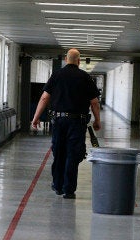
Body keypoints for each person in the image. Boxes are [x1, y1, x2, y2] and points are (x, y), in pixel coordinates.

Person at [31, 48, 101, 199]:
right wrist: (97, 121)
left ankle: (57, 186)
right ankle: (69, 189)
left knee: (59, 152)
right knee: (73, 154)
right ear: (79, 61)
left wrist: (36, 117)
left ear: (65, 59)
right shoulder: (85, 77)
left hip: (59, 121)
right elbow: (94, 102)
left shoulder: (56, 75)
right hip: (77, 122)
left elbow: (44, 98)